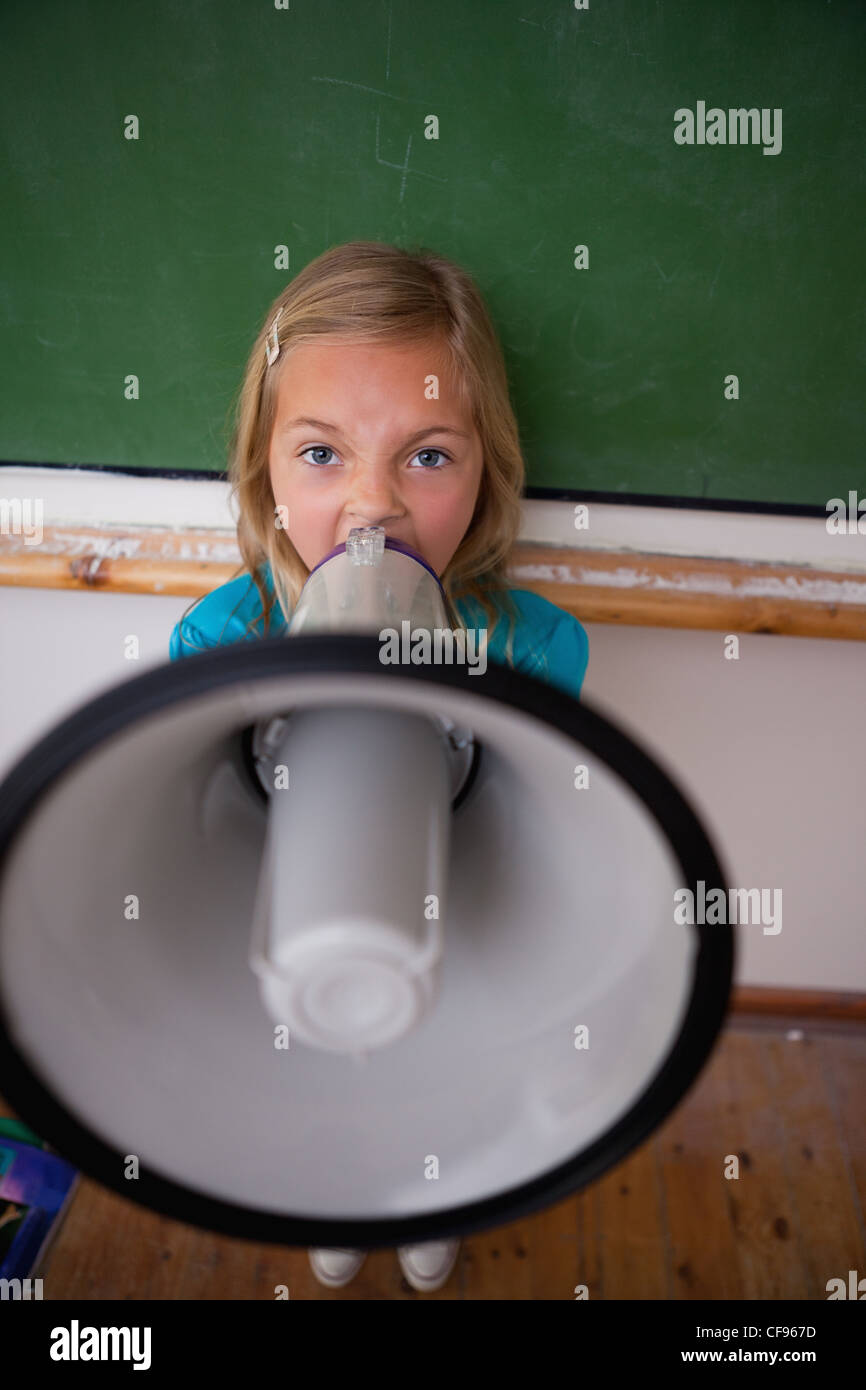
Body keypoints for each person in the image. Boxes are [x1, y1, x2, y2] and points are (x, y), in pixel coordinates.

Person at [169, 240, 589, 1293]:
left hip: (459, 948)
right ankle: (339, 1187)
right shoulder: (215, 643)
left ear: (486, 462)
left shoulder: (538, 647)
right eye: (320, 453)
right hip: (296, 944)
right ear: (261, 463)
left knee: (438, 1077)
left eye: (427, 455)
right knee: (317, 1075)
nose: (371, 508)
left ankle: (427, 1193)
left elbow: (536, 837)